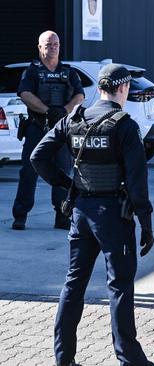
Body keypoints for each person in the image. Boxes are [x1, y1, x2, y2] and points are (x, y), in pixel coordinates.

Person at [30, 63, 154, 366]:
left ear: (99, 89)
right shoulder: (125, 125)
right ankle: (130, 360)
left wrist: (65, 184)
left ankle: (64, 358)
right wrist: (146, 224)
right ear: (123, 88)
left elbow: (38, 157)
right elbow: (138, 184)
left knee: (74, 283)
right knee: (120, 286)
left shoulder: (75, 117)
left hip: (81, 212)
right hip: (112, 214)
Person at [12, 30, 85, 230]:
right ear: (39, 47)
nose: (52, 47)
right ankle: (20, 215)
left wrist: (64, 110)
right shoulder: (32, 71)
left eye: (55, 44)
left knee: (62, 172)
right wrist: (46, 111)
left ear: (59, 46)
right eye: (48, 44)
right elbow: (25, 94)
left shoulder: (69, 71)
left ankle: (62, 216)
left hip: (61, 128)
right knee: (29, 171)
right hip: (37, 127)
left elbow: (80, 96)